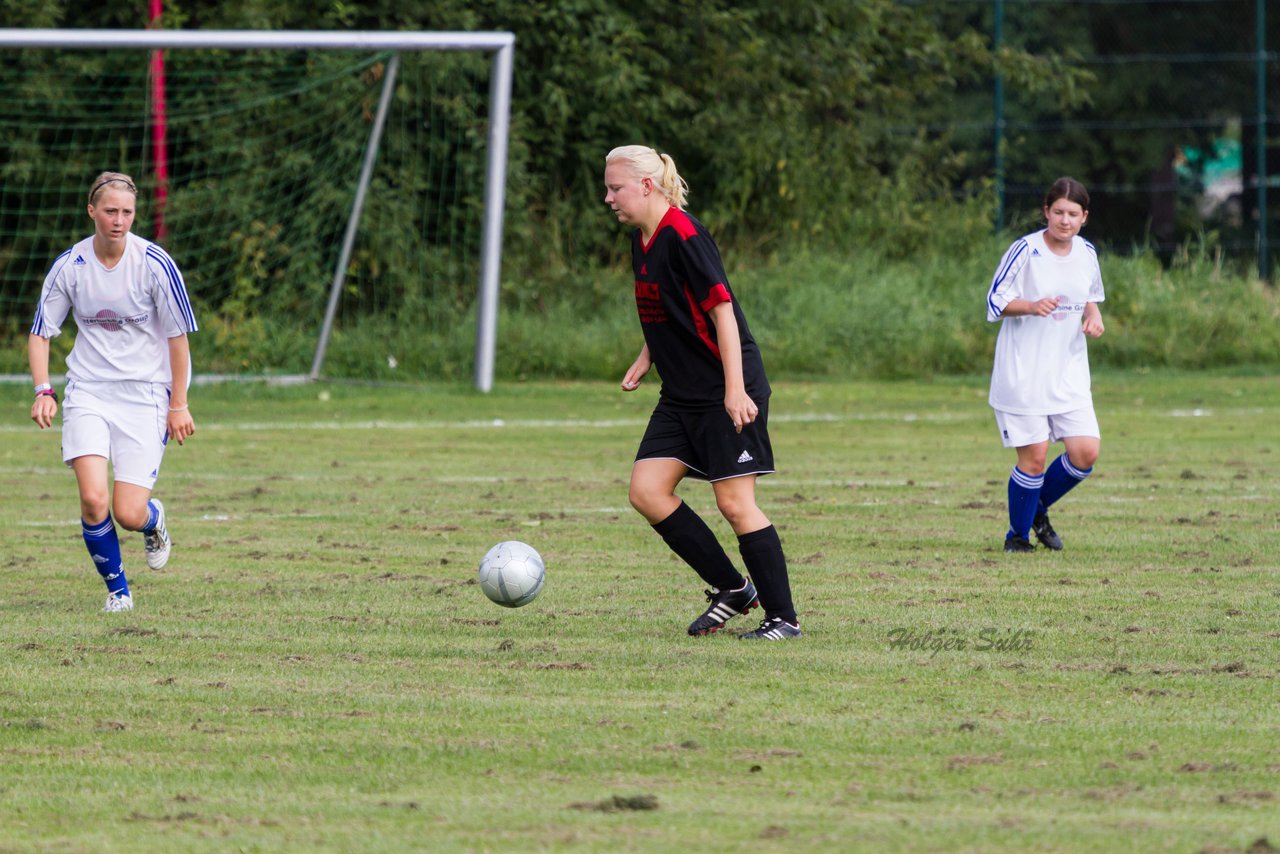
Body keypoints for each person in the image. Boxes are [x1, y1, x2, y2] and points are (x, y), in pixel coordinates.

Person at [604, 145, 799, 640]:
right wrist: (647, 357)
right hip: (681, 393)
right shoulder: (642, 238)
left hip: (724, 388)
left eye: (615, 188)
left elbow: (722, 312)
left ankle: (783, 619)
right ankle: (734, 589)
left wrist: (735, 389)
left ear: (646, 186)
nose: (608, 198)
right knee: (647, 492)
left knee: (734, 503)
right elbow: (665, 306)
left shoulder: (685, 235)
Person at [28, 171, 198, 612]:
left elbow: (178, 339)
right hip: (89, 390)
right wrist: (43, 389)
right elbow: (41, 332)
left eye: (126, 212)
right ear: (92, 212)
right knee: (92, 498)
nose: (119, 220)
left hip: (145, 394)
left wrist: (178, 404)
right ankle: (118, 592)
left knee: (127, 511)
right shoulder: (71, 266)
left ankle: (153, 519)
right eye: (110, 211)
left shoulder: (154, 263)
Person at [986, 176, 1105, 553]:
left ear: (1084, 217)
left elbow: (1090, 297)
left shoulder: (1086, 252)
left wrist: (1094, 316)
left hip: (1068, 371)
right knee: (1034, 459)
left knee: (1085, 451)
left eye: (1072, 214)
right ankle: (1017, 538)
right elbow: (994, 301)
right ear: (1046, 213)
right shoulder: (1025, 251)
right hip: (1024, 373)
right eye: (1058, 212)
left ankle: (1035, 507)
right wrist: (1031, 306)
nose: (1064, 220)